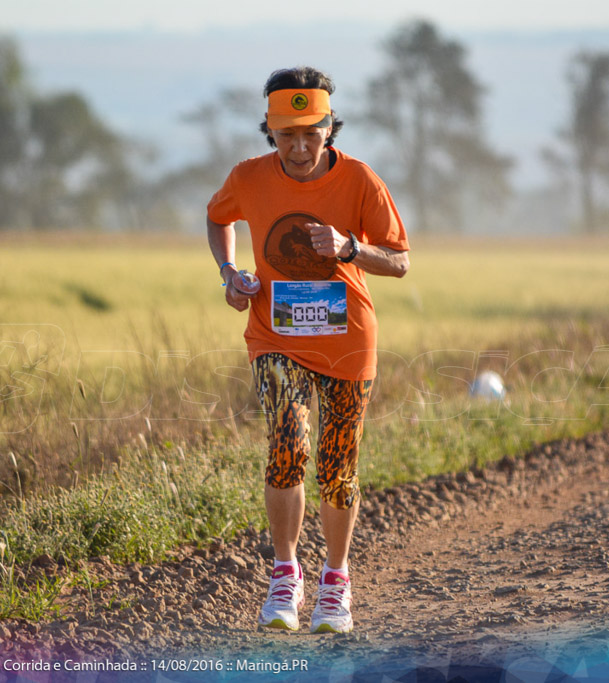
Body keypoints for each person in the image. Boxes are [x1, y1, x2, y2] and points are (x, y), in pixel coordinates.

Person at [206, 66, 410, 634]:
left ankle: (335, 586)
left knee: (338, 466)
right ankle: (284, 576)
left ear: (329, 129)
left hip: (348, 340)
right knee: (287, 445)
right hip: (276, 336)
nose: (298, 148)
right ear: (270, 130)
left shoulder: (361, 181)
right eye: (286, 134)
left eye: (310, 134)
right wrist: (229, 272)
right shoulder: (248, 177)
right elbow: (218, 216)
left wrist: (350, 248)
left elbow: (399, 260)